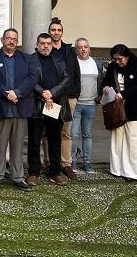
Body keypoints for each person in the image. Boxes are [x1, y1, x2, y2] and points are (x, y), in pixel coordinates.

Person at [0, 28, 36, 192]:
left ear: (17, 41)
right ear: (2, 40)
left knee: (18, 145)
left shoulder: (26, 59)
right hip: (1, 107)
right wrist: (7, 94)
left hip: (20, 108)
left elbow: (32, 78)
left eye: (14, 38)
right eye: (8, 38)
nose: (11, 41)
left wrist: (17, 93)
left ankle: (18, 177)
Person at [27, 33, 71, 187]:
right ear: (37, 44)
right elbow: (29, 80)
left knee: (55, 140)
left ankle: (55, 173)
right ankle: (33, 172)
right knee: (34, 140)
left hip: (55, 104)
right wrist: (44, 94)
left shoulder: (59, 59)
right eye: (42, 43)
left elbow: (66, 79)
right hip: (37, 105)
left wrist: (52, 93)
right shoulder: (30, 60)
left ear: (52, 45)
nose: (45, 46)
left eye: (48, 43)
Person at [102, 44, 137, 182]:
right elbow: (106, 80)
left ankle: (132, 173)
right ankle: (116, 169)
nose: (117, 62)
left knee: (133, 140)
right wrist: (105, 86)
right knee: (117, 138)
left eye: (120, 59)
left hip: (135, 108)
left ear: (127, 56)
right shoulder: (113, 67)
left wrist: (123, 94)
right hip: (117, 108)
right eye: (115, 59)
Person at [49, 17, 80, 179]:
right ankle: (48, 162)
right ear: (49, 32)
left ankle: (66, 164)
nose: (56, 32)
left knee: (66, 132)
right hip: (52, 98)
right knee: (50, 132)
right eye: (53, 30)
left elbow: (76, 72)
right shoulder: (47, 49)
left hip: (69, 97)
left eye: (59, 30)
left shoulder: (69, 51)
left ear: (62, 32)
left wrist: (77, 92)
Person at [70, 37, 103, 174]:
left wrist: (100, 95)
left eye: (86, 47)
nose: (83, 49)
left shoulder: (97, 63)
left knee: (87, 134)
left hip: (90, 104)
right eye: (80, 47)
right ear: (76, 49)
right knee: (73, 134)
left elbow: (100, 81)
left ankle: (87, 162)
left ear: (89, 48)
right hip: (76, 104)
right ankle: (72, 161)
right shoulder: (73, 63)